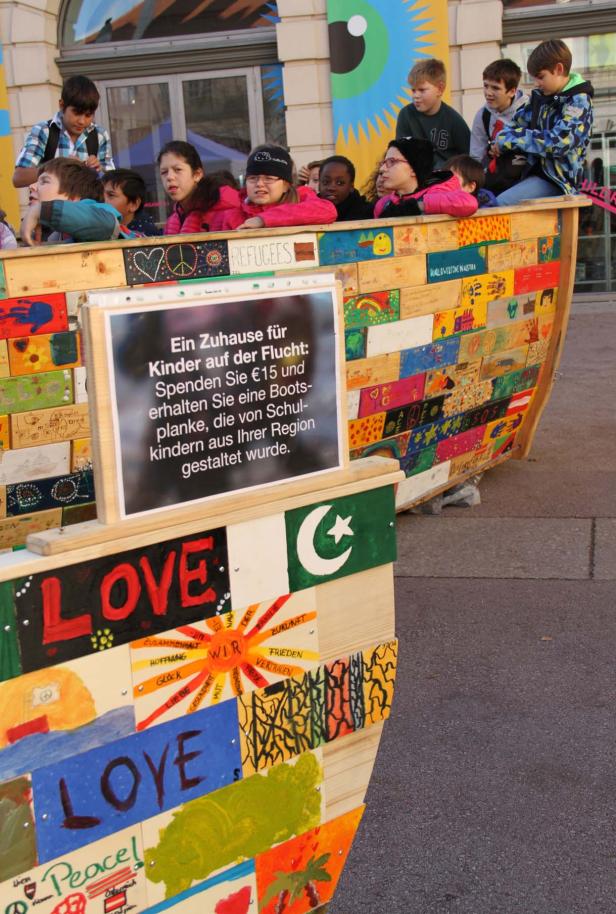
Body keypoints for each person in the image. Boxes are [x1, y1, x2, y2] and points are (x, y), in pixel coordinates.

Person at [492, 39, 594, 204]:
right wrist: (502, 139)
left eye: (540, 77)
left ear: (559, 69)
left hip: (557, 181)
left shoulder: (579, 102)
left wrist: (509, 140)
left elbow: (558, 142)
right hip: (528, 173)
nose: (536, 83)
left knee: (499, 205)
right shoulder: (540, 97)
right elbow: (515, 124)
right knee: (485, 199)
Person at [13, 75, 114, 189]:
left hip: (85, 206)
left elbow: (111, 186)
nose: (82, 121)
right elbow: (18, 178)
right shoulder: (44, 131)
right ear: (62, 105)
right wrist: (60, 166)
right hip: (51, 206)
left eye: (88, 115)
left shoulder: (100, 135)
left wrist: (96, 171)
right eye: (77, 113)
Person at [220, 145, 336, 230]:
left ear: (286, 185)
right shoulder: (230, 216)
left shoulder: (302, 198)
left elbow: (328, 210)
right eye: (253, 178)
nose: (259, 183)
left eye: (269, 178)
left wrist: (263, 220)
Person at [20, 158, 123, 245]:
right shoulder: (44, 233)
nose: (31, 186)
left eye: (44, 181)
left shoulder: (99, 215)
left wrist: (41, 210)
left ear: (73, 197)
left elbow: (107, 225)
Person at [374, 138, 478, 219]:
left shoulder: (436, 192)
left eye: (392, 162)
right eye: (384, 163)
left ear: (414, 169)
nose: (382, 169)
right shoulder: (383, 204)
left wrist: (418, 206)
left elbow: (469, 203)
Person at [396, 59, 470, 169]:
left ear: (440, 89)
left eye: (422, 90)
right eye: (413, 90)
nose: (415, 96)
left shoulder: (454, 121)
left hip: (446, 179)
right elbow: (401, 153)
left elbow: (469, 158)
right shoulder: (405, 115)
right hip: (416, 177)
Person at [158, 141, 241, 235]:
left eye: (178, 170)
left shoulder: (225, 210)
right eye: (164, 172)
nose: (169, 177)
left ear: (197, 174)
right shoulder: (172, 221)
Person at [470, 59, 526, 167]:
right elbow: (476, 156)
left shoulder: (528, 111)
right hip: (497, 174)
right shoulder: (483, 115)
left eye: (495, 88)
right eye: (486, 86)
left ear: (512, 92)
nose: (488, 93)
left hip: (524, 174)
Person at [102, 168, 162, 236]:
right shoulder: (98, 228)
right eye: (102, 195)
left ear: (134, 204)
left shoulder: (147, 238)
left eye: (111, 195)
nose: (103, 201)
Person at [318, 155, 373, 221]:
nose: (331, 188)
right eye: (326, 182)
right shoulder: (310, 209)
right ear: (319, 184)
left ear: (351, 186)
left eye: (340, 183)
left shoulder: (368, 213)